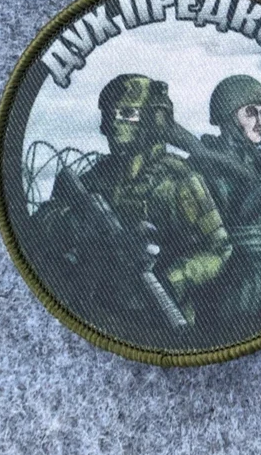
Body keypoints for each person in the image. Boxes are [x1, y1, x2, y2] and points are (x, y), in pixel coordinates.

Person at [27, 74, 232, 344]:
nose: (114, 123)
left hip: (159, 316)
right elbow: (40, 223)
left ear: (153, 119)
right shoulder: (97, 176)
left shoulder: (180, 180)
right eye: (109, 114)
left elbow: (220, 249)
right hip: (98, 312)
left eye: (126, 114)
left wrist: (174, 277)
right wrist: (74, 224)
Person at [187, 75, 261, 323]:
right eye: (251, 113)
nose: (260, 122)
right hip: (235, 298)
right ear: (228, 116)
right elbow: (203, 243)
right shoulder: (201, 168)